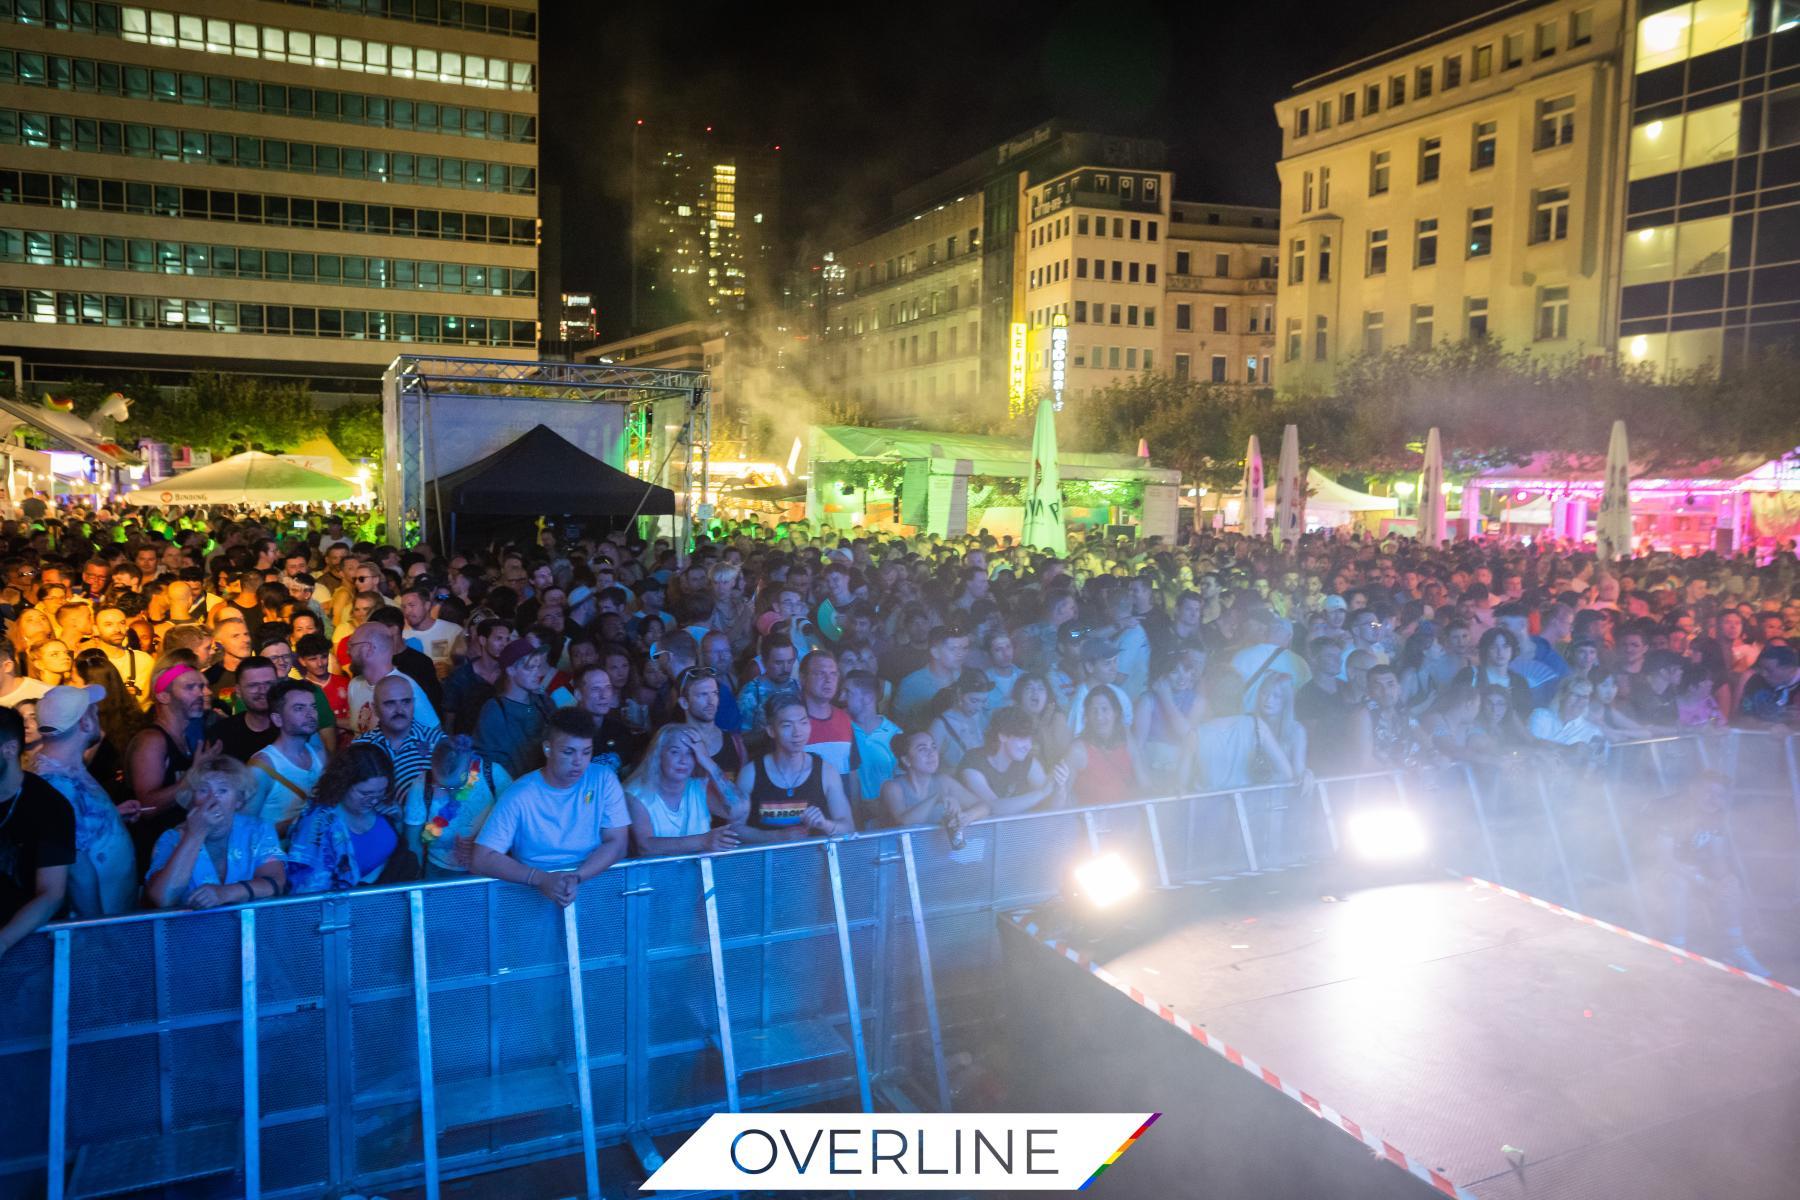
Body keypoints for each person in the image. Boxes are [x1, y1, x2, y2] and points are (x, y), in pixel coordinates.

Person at [472, 708, 631, 907]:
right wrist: (540, 879)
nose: (578, 762)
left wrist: (577, 877)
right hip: (531, 896)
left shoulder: (604, 779)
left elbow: (618, 843)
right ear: (548, 749)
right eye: (568, 752)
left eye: (586, 752)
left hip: (593, 887)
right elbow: (482, 858)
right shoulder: (520, 794)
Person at [32, 684, 136, 917]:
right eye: (94, 713)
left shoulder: (67, 770)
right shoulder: (56, 784)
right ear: (85, 724)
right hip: (99, 925)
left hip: (114, 917)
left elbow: (79, 828)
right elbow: (77, 873)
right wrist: (96, 929)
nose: (99, 718)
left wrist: (112, 817)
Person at [1652, 773, 1769, 975]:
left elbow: (1717, 858)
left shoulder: (1716, 817)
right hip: (1659, 872)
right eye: (1708, 792)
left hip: (1694, 872)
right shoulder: (1671, 812)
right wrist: (1705, 882)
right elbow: (1665, 860)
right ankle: (1676, 947)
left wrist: (1725, 880)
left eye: (1719, 795)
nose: (1713, 799)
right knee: (1677, 883)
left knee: (1730, 883)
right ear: (1693, 790)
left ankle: (1735, 948)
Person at [144, 756, 286, 909]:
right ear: (192, 800)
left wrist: (225, 893)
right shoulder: (171, 839)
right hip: (192, 925)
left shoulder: (258, 830)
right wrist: (195, 834)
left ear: (238, 800)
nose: (212, 799)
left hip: (250, 923)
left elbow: (276, 883)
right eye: (203, 790)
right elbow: (162, 899)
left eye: (222, 790)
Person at [126, 655, 215, 868]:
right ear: (164, 696)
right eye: (190, 688)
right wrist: (192, 776)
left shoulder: (189, 738)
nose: (201, 694)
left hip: (181, 849)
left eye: (201, 687)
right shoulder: (152, 740)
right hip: (155, 856)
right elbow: (146, 807)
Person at [285, 744, 406, 892]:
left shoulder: (384, 806)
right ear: (343, 784)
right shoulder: (317, 824)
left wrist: (398, 820)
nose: (374, 800)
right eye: (365, 793)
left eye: (381, 791)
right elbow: (309, 886)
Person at [0, 706, 70, 960]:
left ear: (9, 749)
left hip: (29, 947)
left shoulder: (48, 806)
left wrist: (3, 942)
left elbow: (51, 894)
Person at [735, 697, 855, 841]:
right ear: (771, 730)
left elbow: (849, 827)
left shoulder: (826, 772)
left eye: (803, 723)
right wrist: (777, 836)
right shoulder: (750, 774)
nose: (797, 732)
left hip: (813, 855)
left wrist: (825, 824)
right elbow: (735, 828)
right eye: (787, 725)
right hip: (768, 855)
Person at [623, 725, 748, 856]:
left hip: (697, 868)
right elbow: (645, 847)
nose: (683, 760)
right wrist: (702, 841)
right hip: (657, 870)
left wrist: (708, 761)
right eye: (675, 752)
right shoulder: (636, 794)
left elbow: (740, 809)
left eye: (690, 753)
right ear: (658, 755)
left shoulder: (699, 787)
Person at [403, 734, 510, 878]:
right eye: (442, 787)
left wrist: (484, 843)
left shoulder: (493, 775)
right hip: (438, 870)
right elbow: (414, 845)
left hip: (490, 867)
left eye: (458, 786)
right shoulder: (420, 787)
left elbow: (516, 825)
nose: (452, 793)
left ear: (469, 762)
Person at [249, 679, 329, 838]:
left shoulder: (319, 755)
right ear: (277, 719)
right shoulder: (262, 767)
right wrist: (295, 825)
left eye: (313, 707)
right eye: (299, 708)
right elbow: (244, 829)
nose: (311, 714)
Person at [354, 673, 447, 808]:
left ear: (413, 704)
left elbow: (457, 793)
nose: (399, 710)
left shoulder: (439, 742)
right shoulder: (359, 748)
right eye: (390, 703)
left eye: (406, 702)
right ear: (375, 709)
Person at [959, 706, 1067, 816]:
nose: (1028, 746)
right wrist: (1042, 793)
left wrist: (1059, 787)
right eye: (1023, 738)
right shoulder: (973, 762)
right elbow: (994, 808)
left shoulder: (1028, 763)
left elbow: (1052, 807)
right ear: (1003, 736)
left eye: (1030, 739)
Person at [879, 727, 989, 833]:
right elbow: (902, 824)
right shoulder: (892, 787)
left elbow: (984, 806)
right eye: (922, 749)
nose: (931, 753)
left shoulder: (944, 781)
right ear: (906, 760)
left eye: (934, 747)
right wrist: (936, 797)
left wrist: (967, 816)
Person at [475, 638, 554, 779]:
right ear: (511, 670)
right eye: (530, 667)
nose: (538, 673)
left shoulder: (542, 701)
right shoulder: (494, 711)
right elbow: (487, 762)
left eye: (538, 667)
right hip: (512, 787)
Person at [345, 621, 441, 737]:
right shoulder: (354, 685)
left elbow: (435, 736)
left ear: (368, 648)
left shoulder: (406, 687)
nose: (347, 651)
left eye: (351, 645)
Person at [1065, 687, 1147, 806]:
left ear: (1116, 713)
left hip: (1128, 814)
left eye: (1105, 709)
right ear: (1087, 716)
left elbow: (1145, 784)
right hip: (1091, 816)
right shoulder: (1077, 750)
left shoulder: (1126, 738)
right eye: (1094, 711)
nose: (1099, 717)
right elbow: (1062, 795)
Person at [843, 670, 901, 826]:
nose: (841, 698)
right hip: (850, 817)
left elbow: (903, 780)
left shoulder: (895, 734)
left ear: (868, 698)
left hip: (887, 819)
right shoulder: (840, 730)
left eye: (847, 692)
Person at [442, 618, 512, 734]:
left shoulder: (510, 675)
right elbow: (449, 719)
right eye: (498, 639)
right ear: (483, 640)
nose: (504, 644)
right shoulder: (461, 677)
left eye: (507, 639)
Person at [892, 625, 971, 726]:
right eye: (953, 649)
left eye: (964, 648)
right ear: (935, 652)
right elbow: (899, 726)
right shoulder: (912, 685)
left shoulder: (967, 678)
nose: (961, 654)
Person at [209, 655, 280, 763]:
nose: (262, 690)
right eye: (253, 685)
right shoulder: (221, 734)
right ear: (238, 691)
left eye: (269, 683)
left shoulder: (293, 728)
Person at [926, 668, 991, 772]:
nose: (978, 708)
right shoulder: (940, 725)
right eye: (973, 701)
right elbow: (927, 765)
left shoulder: (979, 716)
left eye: (983, 701)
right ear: (959, 693)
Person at [88, 604, 153, 703]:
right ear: (96, 629)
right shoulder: (87, 662)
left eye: (122, 623)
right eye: (109, 624)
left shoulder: (143, 660)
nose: (117, 630)